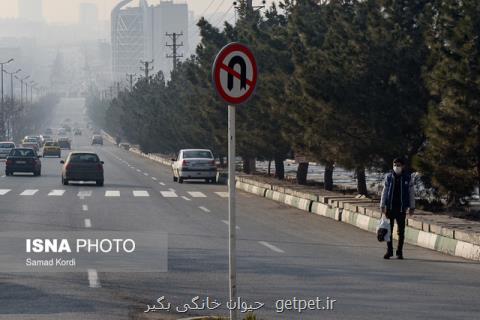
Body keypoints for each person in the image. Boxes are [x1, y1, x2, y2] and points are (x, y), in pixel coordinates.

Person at [380, 158, 415, 259]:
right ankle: (389, 251)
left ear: (403, 166)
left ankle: (399, 252)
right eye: (394, 164)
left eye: (398, 165)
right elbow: (384, 191)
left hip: (401, 209)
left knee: (401, 232)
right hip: (389, 208)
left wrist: (412, 207)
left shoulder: (408, 178)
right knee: (388, 230)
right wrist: (382, 205)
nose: (396, 167)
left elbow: (411, 193)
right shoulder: (389, 177)